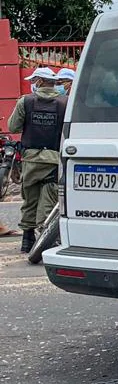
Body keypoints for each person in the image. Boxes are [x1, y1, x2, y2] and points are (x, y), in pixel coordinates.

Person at [8, 68, 67, 254]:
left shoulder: (25, 101)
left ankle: (27, 240)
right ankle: (45, 241)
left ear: (40, 81)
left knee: (29, 200)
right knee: (49, 199)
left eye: (34, 80)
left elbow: (13, 127)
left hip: (31, 160)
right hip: (54, 160)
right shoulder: (65, 103)